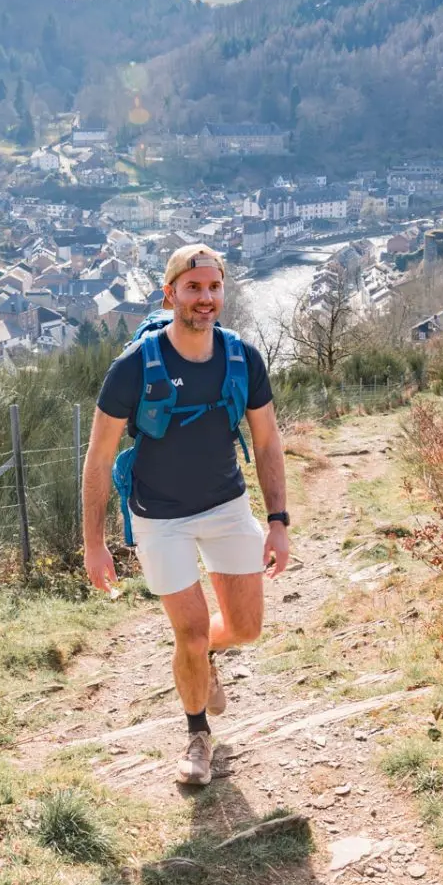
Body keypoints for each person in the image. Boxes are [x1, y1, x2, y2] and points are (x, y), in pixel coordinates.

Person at [81, 244, 290, 786]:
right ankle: (198, 735)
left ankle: (202, 660)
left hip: (225, 505)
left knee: (244, 629)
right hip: (160, 516)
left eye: (214, 288)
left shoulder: (242, 357)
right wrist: (93, 543)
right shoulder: (133, 368)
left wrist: (278, 521)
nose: (205, 299)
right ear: (170, 292)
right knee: (192, 632)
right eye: (193, 288)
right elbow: (99, 457)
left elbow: (266, 442)